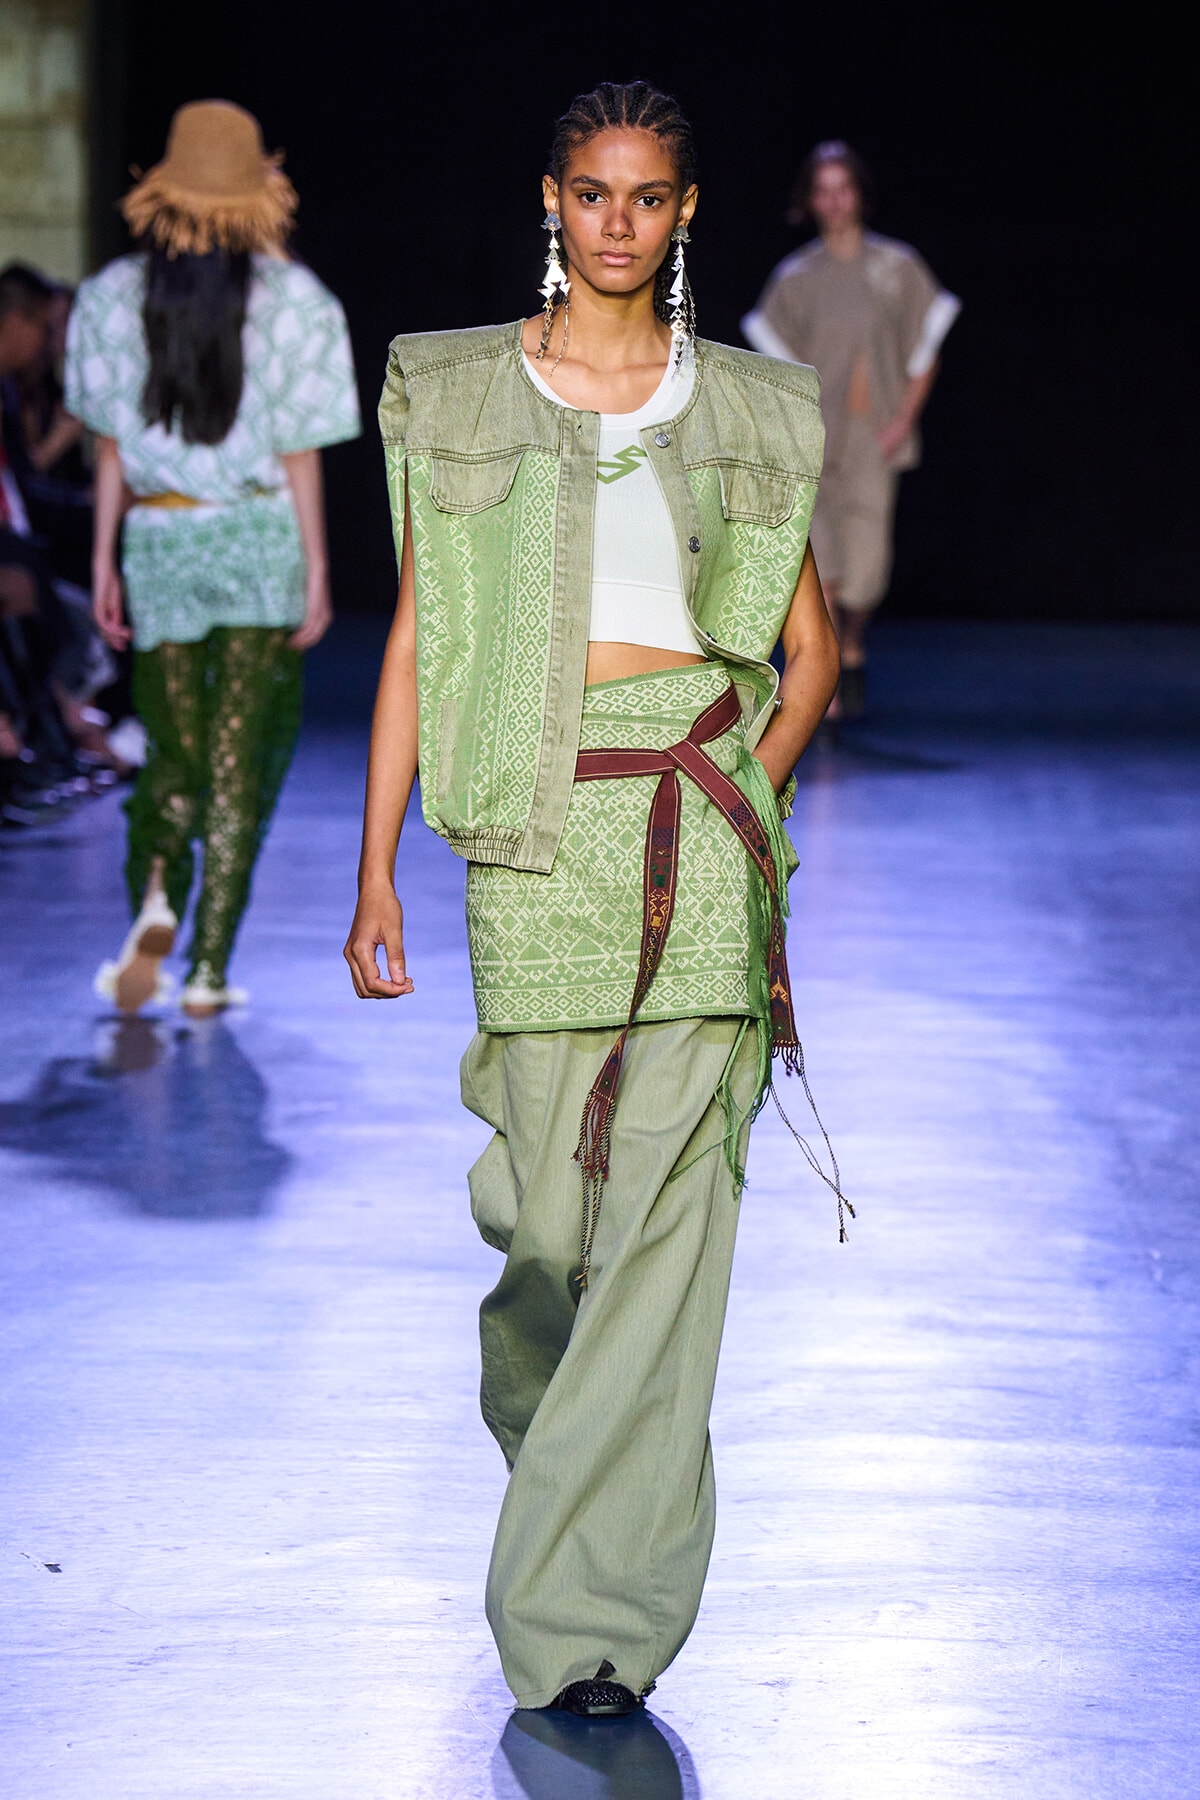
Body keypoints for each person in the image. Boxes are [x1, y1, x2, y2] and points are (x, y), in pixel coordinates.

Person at [344, 81, 843, 1719]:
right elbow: (419, 636)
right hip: (533, 826)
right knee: (547, 1230)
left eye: (648, 197)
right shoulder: (466, 391)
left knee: (665, 1235)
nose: (616, 220)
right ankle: (565, 1457)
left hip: (695, 822)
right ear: (549, 198)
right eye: (590, 191)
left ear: (686, 211)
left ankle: (586, 1627)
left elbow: (810, 653)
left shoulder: (746, 407)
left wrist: (742, 796)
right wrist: (375, 873)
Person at [65, 100, 360, 1016]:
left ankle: (155, 896)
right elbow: (303, 452)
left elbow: (109, 446)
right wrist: (317, 568)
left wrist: (105, 557)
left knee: (172, 748)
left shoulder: (111, 297)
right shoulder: (298, 301)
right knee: (241, 761)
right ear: (255, 195)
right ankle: (207, 971)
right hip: (259, 539)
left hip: (160, 535)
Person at [742, 140, 960, 713]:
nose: (835, 201)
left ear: (859, 194)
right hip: (816, 437)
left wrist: (901, 423)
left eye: (845, 189)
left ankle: (854, 640)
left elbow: (925, 352)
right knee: (824, 566)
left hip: (874, 434)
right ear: (810, 200)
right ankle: (827, 683)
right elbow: (772, 364)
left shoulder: (897, 266)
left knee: (865, 576)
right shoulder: (797, 276)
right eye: (824, 191)